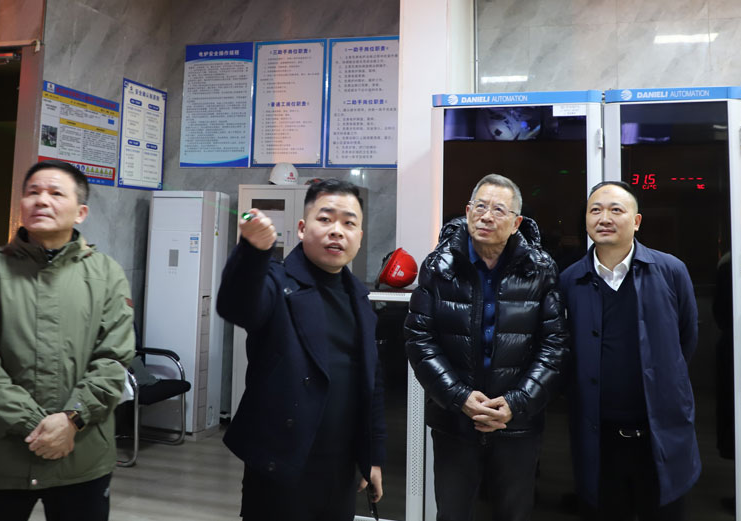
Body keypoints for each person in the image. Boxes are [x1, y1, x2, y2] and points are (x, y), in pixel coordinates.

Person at [0, 160, 135, 521]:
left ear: (80, 212)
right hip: (1, 458)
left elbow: (114, 359)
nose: (41, 200)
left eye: (55, 193)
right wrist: (36, 428)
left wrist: (72, 420)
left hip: (82, 455)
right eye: (33, 192)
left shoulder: (106, 275)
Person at [216, 178, 386, 521]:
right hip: (281, 462)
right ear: (301, 228)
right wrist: (253, 252)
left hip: (340, 467)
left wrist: (373, 457)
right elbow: (237, 306)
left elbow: (371, 383)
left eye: (348, 223)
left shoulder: (359, 296)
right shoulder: (277, 281)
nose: (336, 231)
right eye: (325, 219)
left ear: (359, 236)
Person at [405, 173, 569, 521]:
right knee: (453, 513)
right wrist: (459, 397)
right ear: (467, 212)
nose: (486, 216)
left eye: (498, 210)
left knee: (513, 512)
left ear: (516, 223)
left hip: (518, 424)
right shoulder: (439, 266)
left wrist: (516, 403)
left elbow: (554, 346)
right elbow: (420, 340)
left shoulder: (540, 269)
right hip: (454, 420)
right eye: (480, 207)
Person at [559, 181, 700, 520]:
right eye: (595, 210)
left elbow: (686, 339)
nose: (604, 218)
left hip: (660, 432)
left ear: (636, 221)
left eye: (616, 210)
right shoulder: (569, 280)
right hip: (599, 435)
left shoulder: (670, 270)